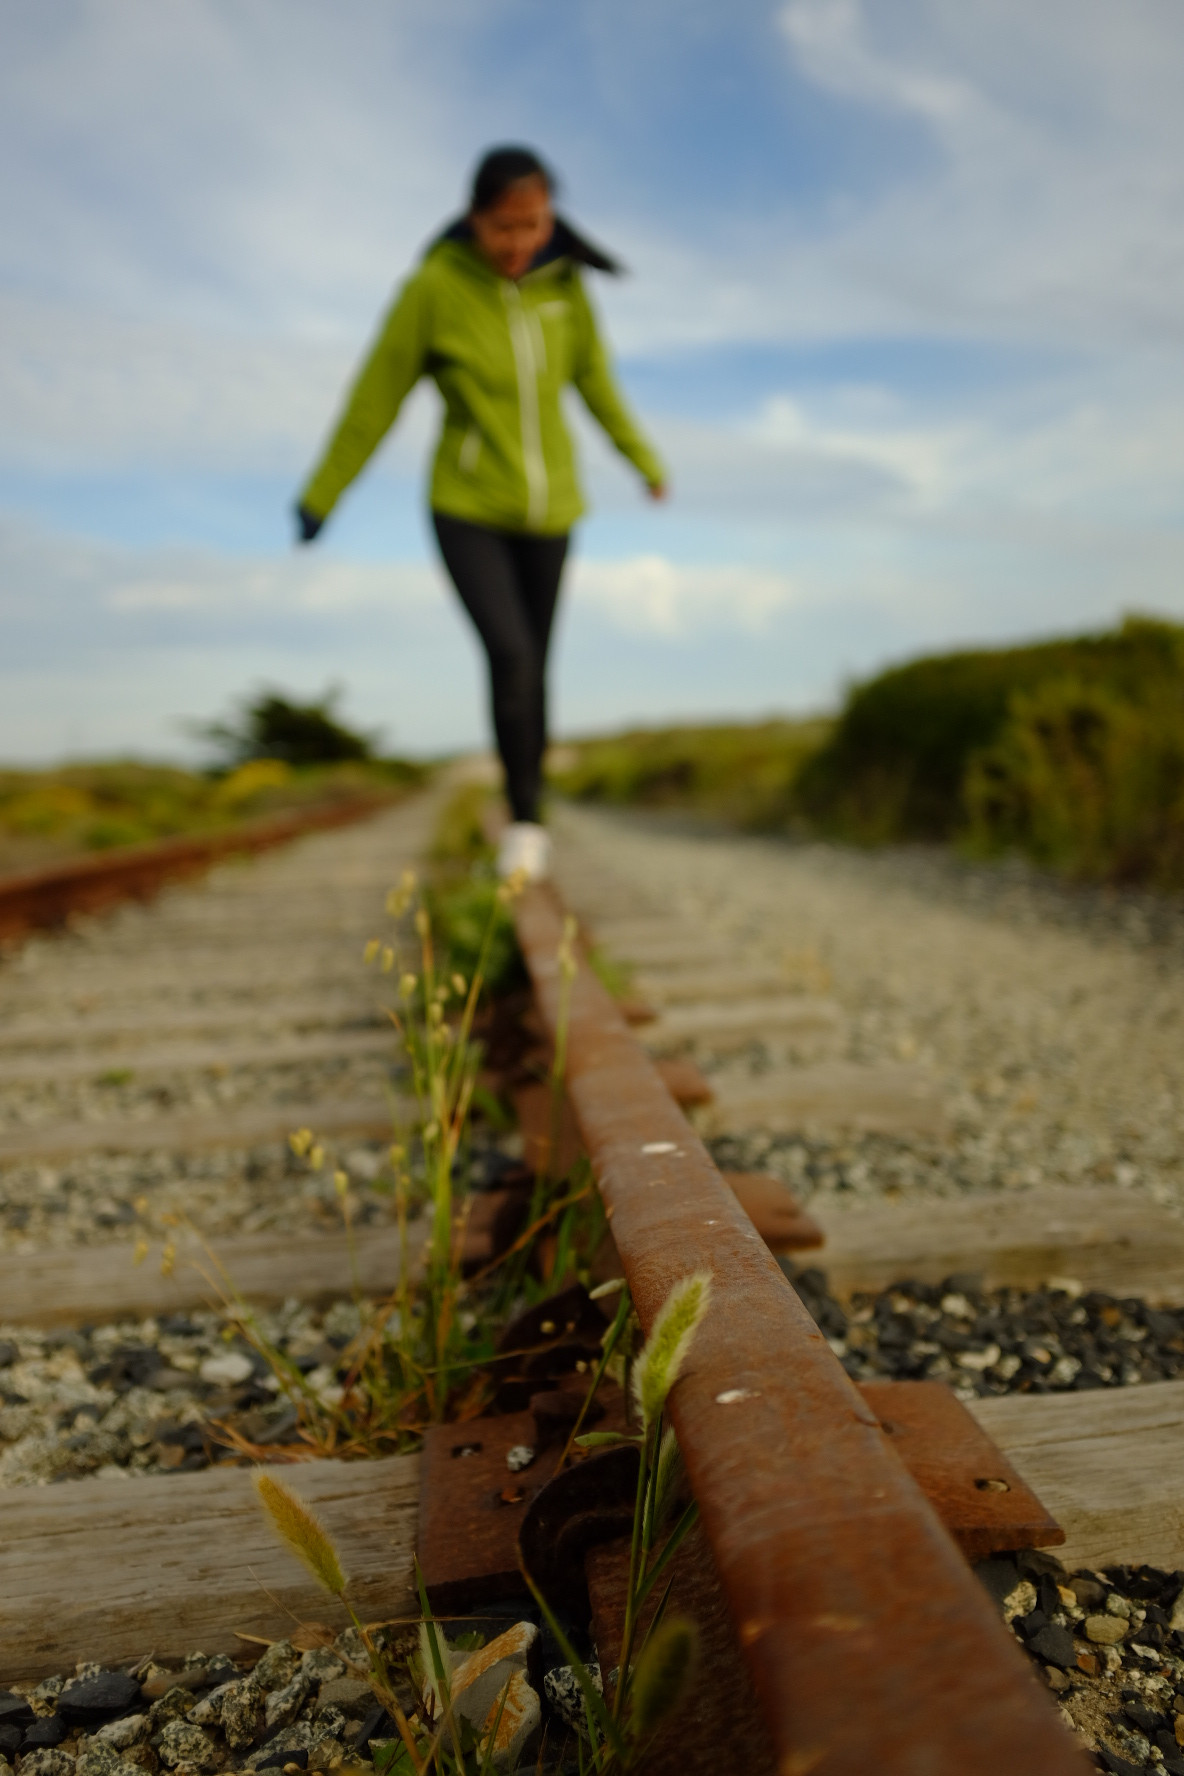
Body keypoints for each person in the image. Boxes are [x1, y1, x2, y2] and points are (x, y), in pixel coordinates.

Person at [294, 145, 666, 880]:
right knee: (511, 655)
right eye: (504, 228)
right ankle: (523, 824)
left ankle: (530, 815)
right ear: (474, 219)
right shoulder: (433, 287)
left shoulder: (567, 288)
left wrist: (643, 461)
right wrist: (323, 494)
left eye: (533, 225)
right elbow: (375, 396)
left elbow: (597, 383)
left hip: (553, 510)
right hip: (467, 506)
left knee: (536, 667)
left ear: (550, 219)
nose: (519, 242)